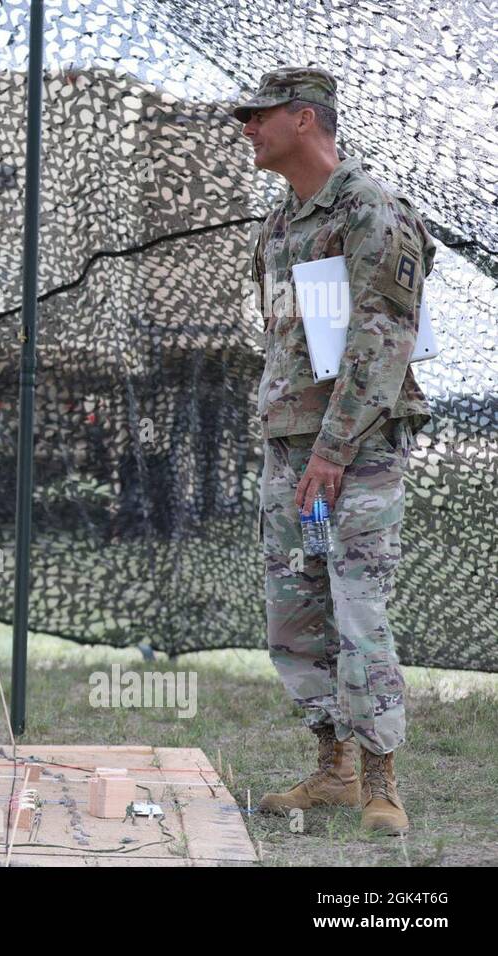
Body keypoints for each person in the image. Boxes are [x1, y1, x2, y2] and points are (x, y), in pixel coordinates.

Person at [236, 67, 433, 834]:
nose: (247, 128)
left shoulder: (369, 210)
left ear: (306, 119)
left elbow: (382, 339)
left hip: (358, 451)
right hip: (291, 448)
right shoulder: (281, 222)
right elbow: (292, 341)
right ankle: (333, 771)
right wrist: (299, 449)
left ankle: (384, 779)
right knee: (295, 613)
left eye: (260, 115)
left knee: (358, 609)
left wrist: (334, 450)